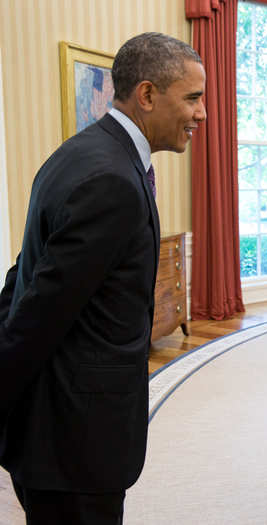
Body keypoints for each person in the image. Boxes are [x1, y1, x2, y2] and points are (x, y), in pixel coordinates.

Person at [0, 32, 206, 524]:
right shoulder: (111, 180)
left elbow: (23, 275)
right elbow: (39, 314)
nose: (201, 113)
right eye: (193, 98)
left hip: (60, 432)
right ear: (149, 94)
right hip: (74, 440)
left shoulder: (80, 152)